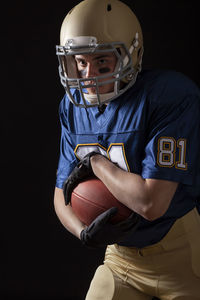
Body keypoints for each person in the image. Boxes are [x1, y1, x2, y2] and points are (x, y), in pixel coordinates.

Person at [54, 0, 200, 299]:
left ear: (130, 54)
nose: (88, 75)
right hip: (122, 261)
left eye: (102, 62)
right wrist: (82, 232)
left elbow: (151, 204)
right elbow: (61, 194)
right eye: (81, 62)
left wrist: (98, 164)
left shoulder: (167, 96)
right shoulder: (72, 107)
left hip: (180, 254)